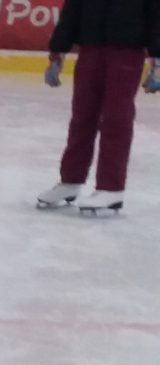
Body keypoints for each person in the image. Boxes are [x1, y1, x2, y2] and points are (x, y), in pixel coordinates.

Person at [34, 0, 160, 216]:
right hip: (90, 48)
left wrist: (157, 61)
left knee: (116, 119)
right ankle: (70, 181)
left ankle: (111, 188)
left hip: (127, 51)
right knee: (81, 116)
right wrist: (57, 52)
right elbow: (72, 10)